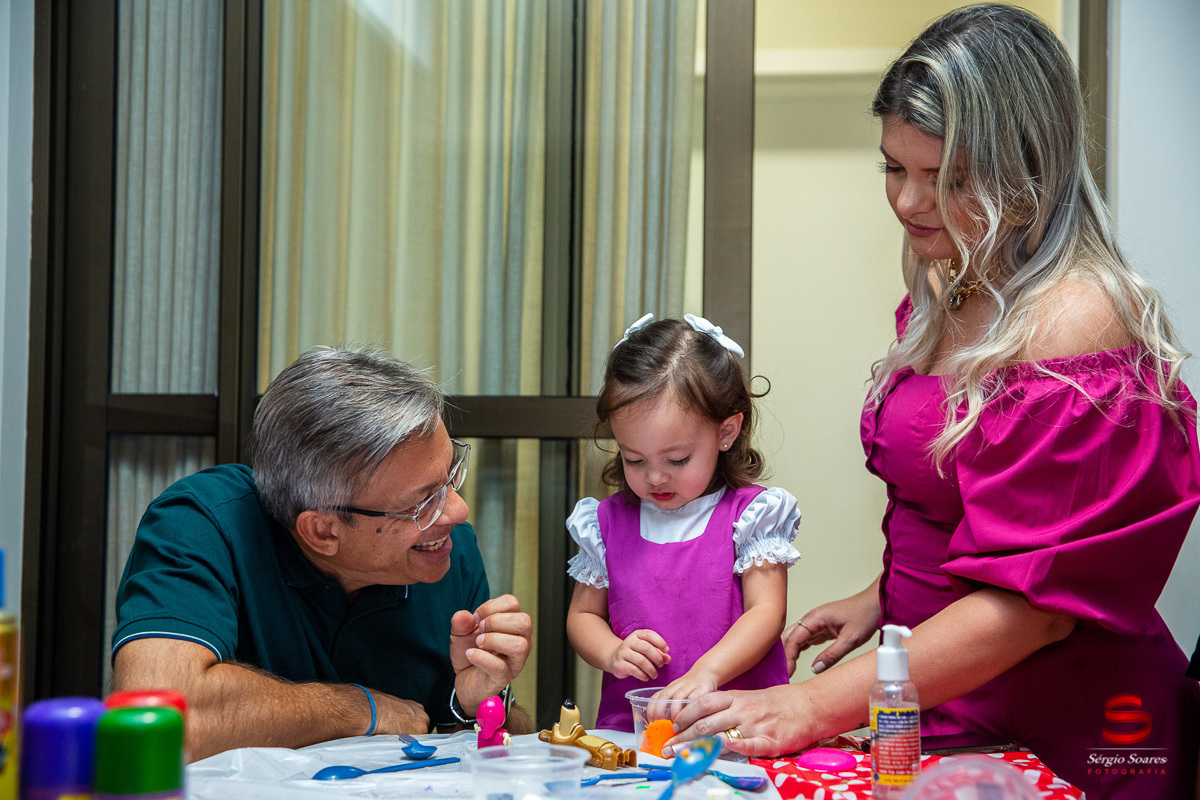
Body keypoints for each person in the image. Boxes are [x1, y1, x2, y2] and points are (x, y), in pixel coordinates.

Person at [664, 5, 1200, 798]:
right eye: (894, 168)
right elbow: (975, 517)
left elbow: (1036, 602)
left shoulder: (1075, 319)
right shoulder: (962, 283)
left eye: (947, 178)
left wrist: (810, 703)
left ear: (1029, 170)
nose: (910, 202)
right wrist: (882, 600)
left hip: (1070, 730)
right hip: (944, 702)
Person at [111, 346, 533, 761]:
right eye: (422, 501)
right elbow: (157, 720)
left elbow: (496, 759)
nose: (457, 512)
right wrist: (358, 708)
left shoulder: (448, 551)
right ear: (322, 530)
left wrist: (477, 704)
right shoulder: (204, 522)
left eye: (450, 477)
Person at [565, 313, 801, 731]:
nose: (655, 477)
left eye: (677, 459)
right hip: (636, 731)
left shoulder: (752, 518)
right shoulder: (605, 525)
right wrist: (612, 652)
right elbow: (582, 617)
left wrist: (708, 672)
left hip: (734, 724)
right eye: (634, 459)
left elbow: (766, 611)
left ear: (726, 432)